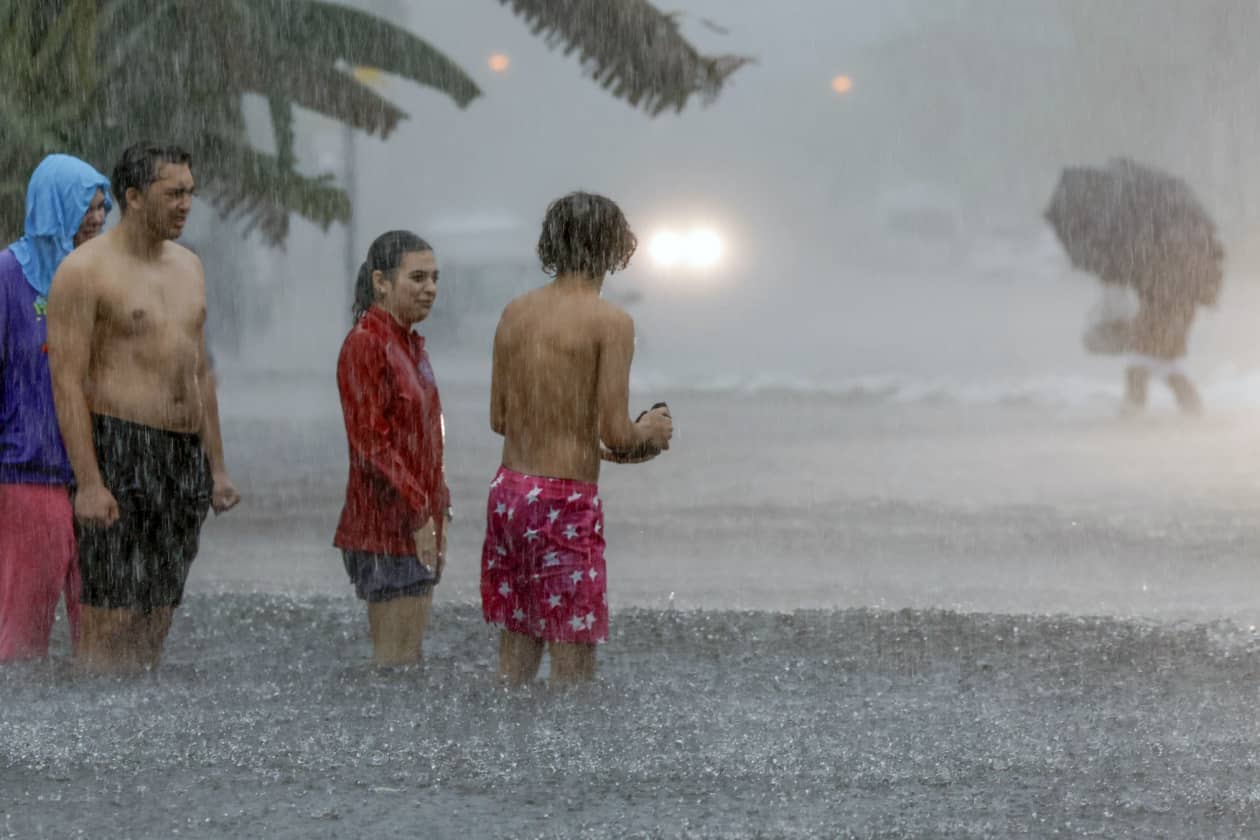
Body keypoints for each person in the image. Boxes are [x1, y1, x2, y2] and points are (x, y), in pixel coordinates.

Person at [46, 143, 239, 674]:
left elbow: (200, 372)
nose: (185, 204)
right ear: (133, 196)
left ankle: (137, 736)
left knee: (158, 610)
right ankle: (90, 733)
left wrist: (217, 468)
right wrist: (88, 481)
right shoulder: (84, 272)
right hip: (119, 448)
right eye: (173, 192)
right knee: (109, 615)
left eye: (190, 193)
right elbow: (66, 383)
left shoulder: (190, 266)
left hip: (181, 459)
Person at [481, 191, 673, 686]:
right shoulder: (611, 323)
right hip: (562, 502)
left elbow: (500, 417)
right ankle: (572, 760)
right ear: (615, 250)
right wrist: (649, 430)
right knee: (574, 666)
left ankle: (506, 752)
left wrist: (566, 425)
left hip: (509, 495)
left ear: (552, 243)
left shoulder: (515, 313)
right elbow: (615, 431)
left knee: (516, 655)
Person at [0, 154, 110, 661]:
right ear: (52, 209)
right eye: (85, 206)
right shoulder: (8, 277)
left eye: (102, 206)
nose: (97, 217)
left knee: (105, 639)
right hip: (27, 477)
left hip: (97, 481)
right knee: (22, 639)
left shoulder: (103, 279)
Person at [334, 231, 450, 667]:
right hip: (383, 525)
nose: (431, 289)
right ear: (381, 281)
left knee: (409, 660)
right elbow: (370, 442)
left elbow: (424, 434)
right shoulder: (366, 342)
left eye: (435, 278)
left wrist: (441, 503)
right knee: (394, 663)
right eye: (418, 277)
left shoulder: (409, 343)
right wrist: (420, 508)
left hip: (417, 519)